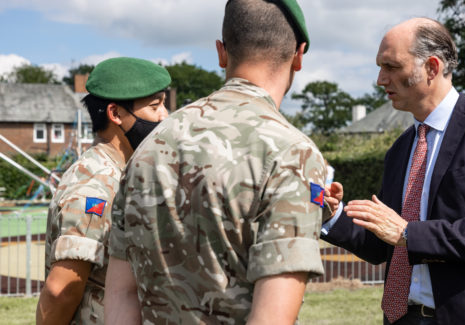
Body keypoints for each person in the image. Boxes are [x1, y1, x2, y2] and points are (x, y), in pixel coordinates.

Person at [104, 1, 329, 324]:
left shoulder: (149, 145)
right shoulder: (292, 154)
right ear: (299, 56)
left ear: (221, 52)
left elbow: (122, 295)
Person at [322, 18, 465, 325]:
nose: (381, 79)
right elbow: (384, 246)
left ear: (432, 68)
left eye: (392, 66)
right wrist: (332, 215)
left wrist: (410, 234)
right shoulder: (400, 149)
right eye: (379, 67)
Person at [37, 57, 171, 324]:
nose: (164, 115)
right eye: (155, 106)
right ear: (115, 114)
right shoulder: (95, 186)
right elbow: (60, 291)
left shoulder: (121, 174)